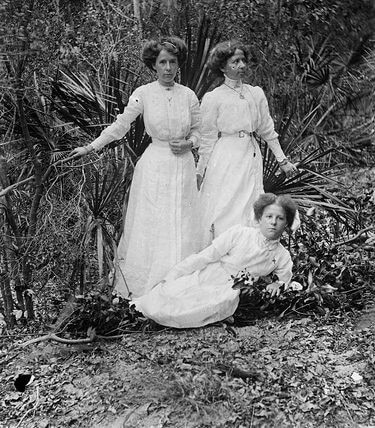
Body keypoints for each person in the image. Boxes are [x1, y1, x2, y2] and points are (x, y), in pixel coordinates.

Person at [71, 37, 201, 298]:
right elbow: (121, 125)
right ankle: (151, 285)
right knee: (155, 222)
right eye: (162, 62)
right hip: (155, 165)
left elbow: (201, 131)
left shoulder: (188, 96)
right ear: (153, 65)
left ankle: (182, 282)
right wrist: (91, 147)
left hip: (183, 165)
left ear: (179, 64)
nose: (167, 68)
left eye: (172, 62)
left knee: (182, 220)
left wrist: (190, 143)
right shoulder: (143, 93)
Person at [133, 193, 297, 329]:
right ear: (260, 218)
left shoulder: (282, 255)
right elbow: (206, 256)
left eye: (280, 218)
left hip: (232, 289)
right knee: (173, 294)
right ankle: (150, 316)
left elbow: (285, 278)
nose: (273, 222)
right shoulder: (239, 234)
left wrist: (278, 284)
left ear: (286, 224)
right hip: (211, 275)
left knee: (203, 308)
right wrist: (175, 274)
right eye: (269, 216)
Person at [197, 40, 298, 249]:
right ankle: (224, 253)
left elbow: (267, 130)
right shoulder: (213, 98)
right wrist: (200, 171)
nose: (241, 65)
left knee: (251, 203)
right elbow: (206, 139)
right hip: (225, 156)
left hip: (250, 155)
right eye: (235, 61)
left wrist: (282, 160)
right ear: (222, 66)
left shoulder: (255, 93)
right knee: (226, 204)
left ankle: (247, 256)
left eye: (243, 60)